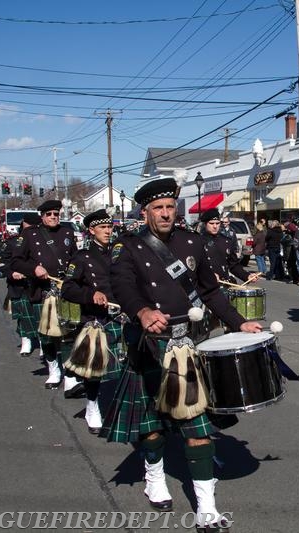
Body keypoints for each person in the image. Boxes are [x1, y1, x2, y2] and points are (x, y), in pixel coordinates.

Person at [108, 177, 261, 529]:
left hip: (188, 344)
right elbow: (122, 285)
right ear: (144, 211)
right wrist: (142, 312)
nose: (165, 214)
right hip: (149, 345)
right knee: (153, 426)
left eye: (169, 207)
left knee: (198, 427)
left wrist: (239, 322)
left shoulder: (191, 241)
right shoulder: (127, 245)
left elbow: (211, 292)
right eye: (157, 208)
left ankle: (206, 506)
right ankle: (155, 476)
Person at [60, 209, 120, 434]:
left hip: (121, 316)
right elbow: (67, 288)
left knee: (127, 367)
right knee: (94, 371)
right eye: (103, 227)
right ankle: (92, 405)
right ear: (91, 230)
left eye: (110, 227)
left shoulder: (119, 253)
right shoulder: (82, 257)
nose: (107, 231)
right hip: (96, 319)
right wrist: (90, 295)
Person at [10, 200, 78, 392]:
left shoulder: (67, 232)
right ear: (42, 216)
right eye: (49, 214)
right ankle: (54, 369)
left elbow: (75, 258)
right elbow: (16, 262)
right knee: (47, 336)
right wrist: (33, 268)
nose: (53, 217)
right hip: (43, 292)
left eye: (56, 214)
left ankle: (70, 373)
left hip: (65, 290)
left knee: (68, 334)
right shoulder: (30, 234)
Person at [2, 213, 40, 356]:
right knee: (23, 316)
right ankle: (26, 340)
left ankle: (44, 343)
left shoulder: (42, 244)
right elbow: (2, 262)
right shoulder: (12, 243)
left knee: (40, 315)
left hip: (37, 285)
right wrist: (12, 273)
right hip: (18, 286)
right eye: (27, 227)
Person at [199, 208, 259, 285]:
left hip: (223, 283)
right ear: (205, 224)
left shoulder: (226, 241)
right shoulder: (198, 241)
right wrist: (208, 275)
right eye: (211, 223)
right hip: (205, 286)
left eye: (217, 223)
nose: (215, 226)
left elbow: (233, 265)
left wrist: (247, 276)